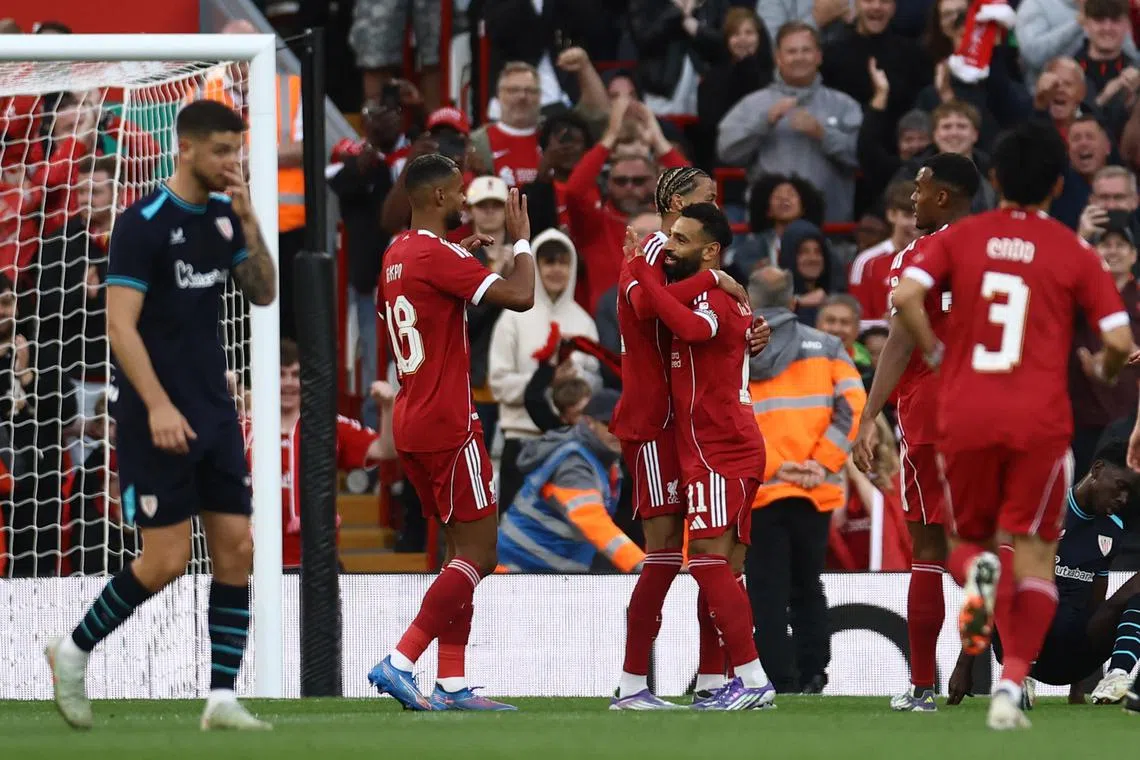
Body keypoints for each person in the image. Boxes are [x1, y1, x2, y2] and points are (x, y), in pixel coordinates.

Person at [890, 122, 1134, 730]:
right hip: (1039, 422)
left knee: (969, 549)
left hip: (967, 415)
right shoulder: (1070, 250)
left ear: (995, 179)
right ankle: (1013, 678)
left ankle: (976, 655)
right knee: (1031, 551)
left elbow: (905, 300)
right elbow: (1117, 341)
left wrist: (940, 355)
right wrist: (1099, 364)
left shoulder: (960, 240)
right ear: (1057, 184)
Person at [43, 100, 277, 731]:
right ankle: (72, 650)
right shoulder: (141, 223)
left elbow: (263, 292)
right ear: (188, 150)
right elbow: (119, 327)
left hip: (215, 412)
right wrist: (158, 405)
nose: (233, 163)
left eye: (238, 150)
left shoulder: (229, 217)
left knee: (237, 549)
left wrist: (252, 222)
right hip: (154, 414)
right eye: (223, 151)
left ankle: (222, 697)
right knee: (166, 560)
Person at [367, 154, 535, 712]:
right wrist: (522, 243)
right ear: (437, 198)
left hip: (411, 416)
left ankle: (455, 683)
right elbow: (522, 297)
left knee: (457, 555)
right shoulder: (436, 255)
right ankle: (401, 658)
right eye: (459, 193)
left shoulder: (396, 253)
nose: (465, 201)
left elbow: (419, 292)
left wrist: (463, 252)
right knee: (481, 555)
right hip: (448, 422)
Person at [611, 168, 759, 710]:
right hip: (652, 422)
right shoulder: (651, 248)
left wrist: (746, 331)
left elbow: (699, 327)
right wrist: (716, 281)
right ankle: (631, 684)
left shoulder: (679, 255)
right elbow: (653, 306)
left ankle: (716, 681)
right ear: (677, 202)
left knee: (708, 554)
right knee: (666, 552)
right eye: (706, 199)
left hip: (688, 422)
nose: (714, 207)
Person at [852, 152, 979, 712]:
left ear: (944, 196)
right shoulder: (1002, 248)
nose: (913, 199)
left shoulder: (913, 257)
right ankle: (1006, 675)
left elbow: (901, 343)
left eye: (922, 189)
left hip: (930, 416)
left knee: (927, 549)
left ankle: (922, 685)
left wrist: (867, 416)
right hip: (997, 415)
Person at [946, 439, 1140, 707]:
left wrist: (1077, 688)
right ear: (1096, 470)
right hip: (1023, 646)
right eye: (1121, 487)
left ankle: (1116, 675)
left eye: (1130, 494)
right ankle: (1017, 677)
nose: (1123, 499)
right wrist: (963, 665)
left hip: (1070, 659)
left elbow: (1093, 605)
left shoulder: (1112, 529)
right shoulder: (1041, 512)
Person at [746, 266, 867, 694]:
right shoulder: (829, 347)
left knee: (766, 591)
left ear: (749, 302)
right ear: (794, 302)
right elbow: (854, 404)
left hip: (759, 489)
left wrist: (775, 466)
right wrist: (821, 462)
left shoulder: (736, 351)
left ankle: (776, 677)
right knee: (807, 585)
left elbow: (730, 417)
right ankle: (814, 672)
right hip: (814, 490)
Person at [497, 389, 644, 573]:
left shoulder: (605, 462)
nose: (616, 431)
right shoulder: (573, 463)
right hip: (516, 572)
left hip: (542, 573)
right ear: (589, 423)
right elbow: (592, 521)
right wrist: (641, 565)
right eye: (607, 423)